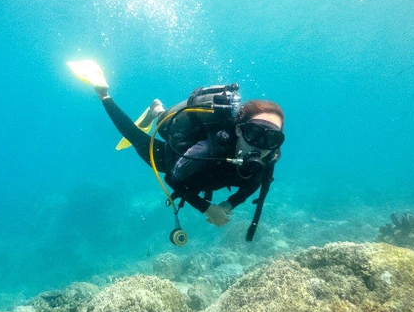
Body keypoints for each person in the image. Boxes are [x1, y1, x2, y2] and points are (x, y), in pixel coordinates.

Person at [70, 60, 284, 239]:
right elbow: (174, 180)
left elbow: (252, 185)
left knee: (155, 125)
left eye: (272, 138)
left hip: (202, 174)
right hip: (171, 155)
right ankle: (107, 95)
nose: (260, 145)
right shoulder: (208, 149)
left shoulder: (268, 158)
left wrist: (229, 205)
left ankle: (157, 110)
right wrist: (207, 208)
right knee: (138, 134)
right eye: (254, 133)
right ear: (239, 129)